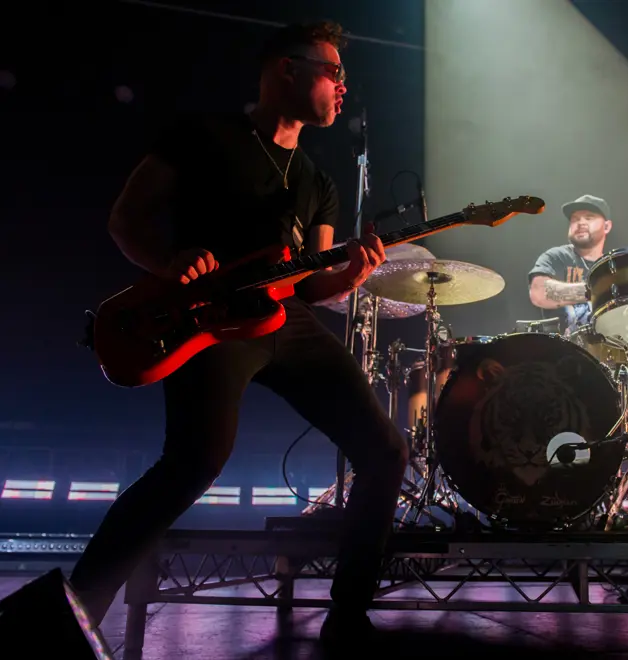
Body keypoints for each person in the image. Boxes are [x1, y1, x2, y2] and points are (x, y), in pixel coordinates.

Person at [69, 21, 408, 643]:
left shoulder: (318, 180)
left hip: (287, 319)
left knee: (386, 450)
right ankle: (78, 607)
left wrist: (352, 275)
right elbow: (125, 220)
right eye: (334, 73)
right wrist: (170, 264)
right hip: (214, 320)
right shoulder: (204, 137)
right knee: (195, 461)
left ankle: (349, 612)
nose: (343, 87)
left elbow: (311, 286)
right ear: (287, 68)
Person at [528, 194, 628, 507]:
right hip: (578, 359)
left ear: (607, 225)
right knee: (577, 425)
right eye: (574, 218)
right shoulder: (557, 257)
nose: (579, 222)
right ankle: (574, 504)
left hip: (625, 353)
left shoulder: (622, 266)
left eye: (589, 216)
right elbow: (538, 293)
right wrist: (595, 288)